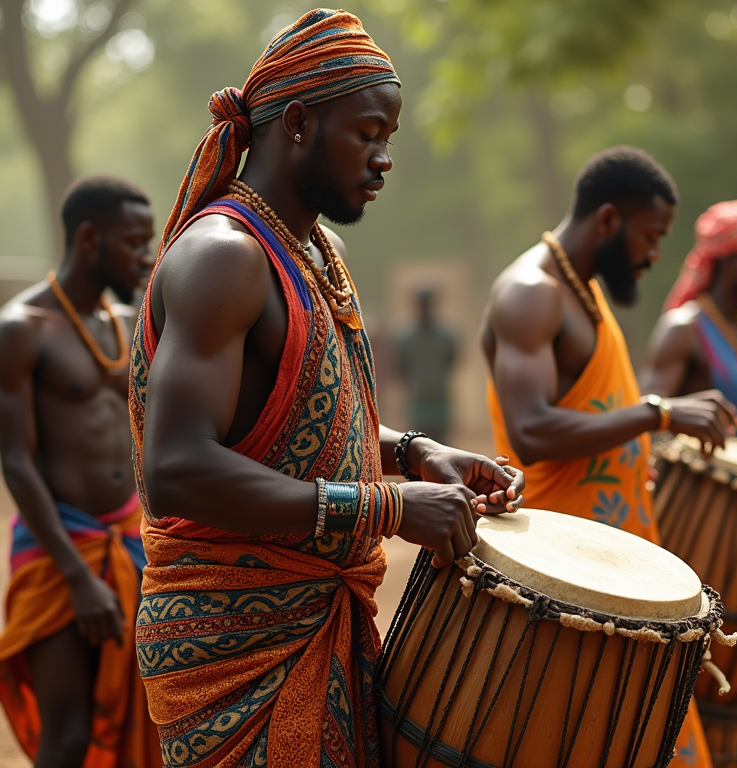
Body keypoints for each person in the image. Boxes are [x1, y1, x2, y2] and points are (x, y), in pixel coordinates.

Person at [128, 11, 523, 767]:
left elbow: (292, 421)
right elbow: (175, 468)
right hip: (234, 645)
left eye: (390, 140)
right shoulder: (226, 257)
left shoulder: (313, 248)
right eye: (368, 134)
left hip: (318, 617)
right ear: (301, 123)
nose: (383, 159)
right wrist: (388, 506)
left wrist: (411, 452)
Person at [482, 146, 737, 768]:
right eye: (650, 235)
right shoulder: (531, 293)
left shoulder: (584, 294)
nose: (656, 254)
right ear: (607, 221)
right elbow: (532, 431)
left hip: (615, 564)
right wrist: (660, 413)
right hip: (559, 574)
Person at [0, 176, 160, 767]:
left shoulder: (126, 321)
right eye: (135, 243)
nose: (147, 256)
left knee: (144, 722)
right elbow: (16, 461)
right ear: (89, 239)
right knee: (65, 738)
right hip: (56, 553)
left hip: (129, 542)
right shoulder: (21, 330)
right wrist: (75, 577)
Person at [640, 200, 737, 768]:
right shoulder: (684, 330)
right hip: (716, 534)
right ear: (728, 264)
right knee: (717, 677)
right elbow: (647, 426)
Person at [396, 288, 458, 443]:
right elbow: (402, 367)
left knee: (442, 448)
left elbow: (451, 361)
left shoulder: (446, 336)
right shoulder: (406, 337)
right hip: (417, 402)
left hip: (440, 401)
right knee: (417, 447)